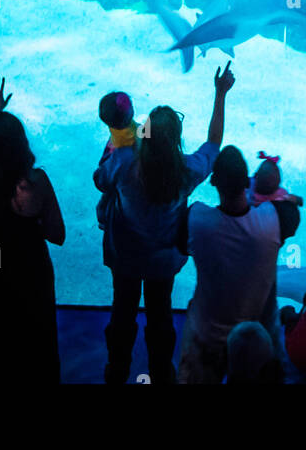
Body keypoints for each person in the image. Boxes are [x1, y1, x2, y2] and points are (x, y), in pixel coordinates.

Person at [96, 62, 230, 383]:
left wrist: (114, 145)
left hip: (125, 256)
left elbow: (101, 180)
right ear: (176, 141)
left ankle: (116, 372)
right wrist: (220, 93)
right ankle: (160, 372)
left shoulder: (125, 161)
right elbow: (214, 144)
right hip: (163, 261)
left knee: (122, 313)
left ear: (145, 133)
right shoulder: (187, 170)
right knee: (160, 316)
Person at [0, 76, 65, 384]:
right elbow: (57, 235)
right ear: (22, 144)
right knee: (32, 344)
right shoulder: (37, 182)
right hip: (28, 273)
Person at [176, 144, 300, 383]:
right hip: (257, 339)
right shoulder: (274, 219)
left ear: (213, 183)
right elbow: (289, 207)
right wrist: (266, 190)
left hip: (206, 337)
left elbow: (180, 244)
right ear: (247, 182)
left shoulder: (197, 219)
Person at [96, 91, 139, 230]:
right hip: (132, 173)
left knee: (108, 199)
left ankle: (104, 220)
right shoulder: (138, 129)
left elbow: (102, 181)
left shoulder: (116, 147)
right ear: (131, 112)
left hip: (119, 176)